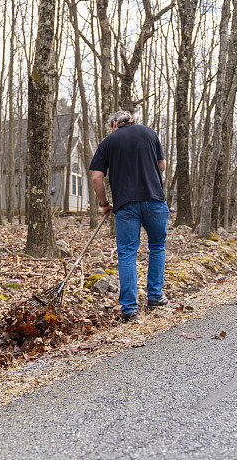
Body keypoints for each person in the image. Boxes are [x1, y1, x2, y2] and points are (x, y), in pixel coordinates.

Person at [89, 110, 169, 322]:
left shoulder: (108, 142)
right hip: (154, 200)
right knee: (157, 246)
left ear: (114, 123)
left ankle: (129, 310)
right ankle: (154, 297)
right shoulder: (150, 133)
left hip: (126, 205)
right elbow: (162, 166)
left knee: (127, 254)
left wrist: (105, 204)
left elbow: (97, 178)